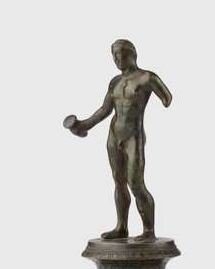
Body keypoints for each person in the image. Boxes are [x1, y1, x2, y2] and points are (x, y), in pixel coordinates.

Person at [66, 39, 172, 241]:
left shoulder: (147, 77)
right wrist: (83, 125)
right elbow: (104, 110)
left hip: (133, 136)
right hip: (114, 136)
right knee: (118, 181)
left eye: (120, 53)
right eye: (113, 55)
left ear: (132, 54)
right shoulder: (115, 82)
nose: (116, 59)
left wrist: (158, 93)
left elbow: (167, 98)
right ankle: (121, 227)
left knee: (136, 183)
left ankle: (149, 231)